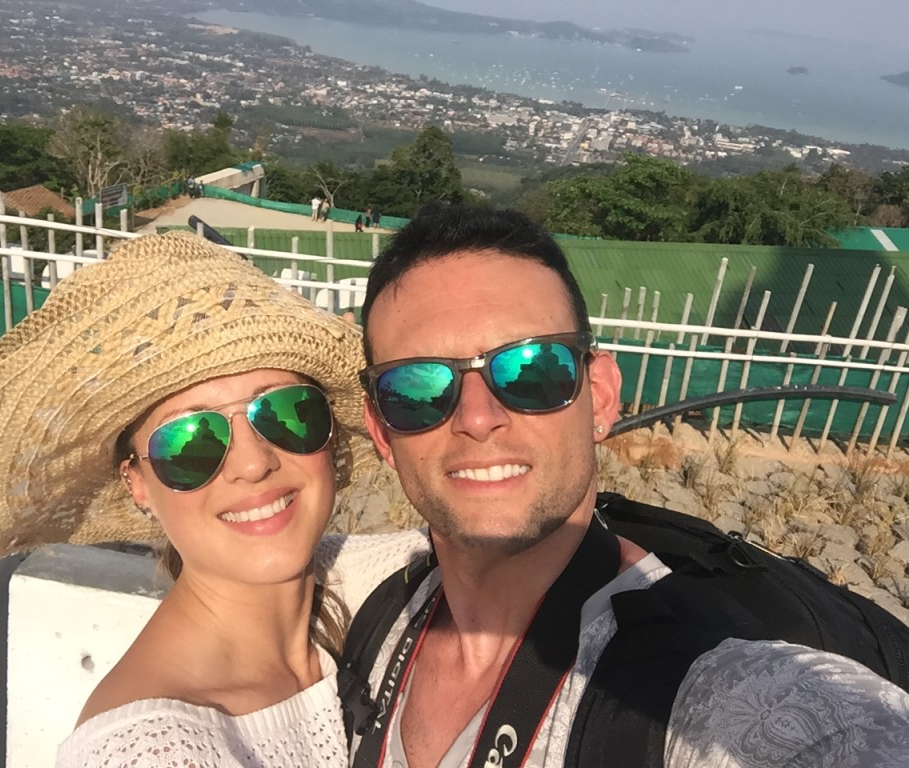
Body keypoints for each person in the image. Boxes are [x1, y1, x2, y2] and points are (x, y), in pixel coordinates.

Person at [340, 206, 909, 768]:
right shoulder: (366, 593)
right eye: (415, 387)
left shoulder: (705, 686)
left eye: (532, 369)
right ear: (381, 433)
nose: (478, 416)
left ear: (602, 398)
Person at [0, 231, 425, 767]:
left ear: (328, 433)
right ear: (137, 483)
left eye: (288, 413)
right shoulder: (155, 752)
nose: (253, 463)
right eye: (191, 443)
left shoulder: (354, 580)